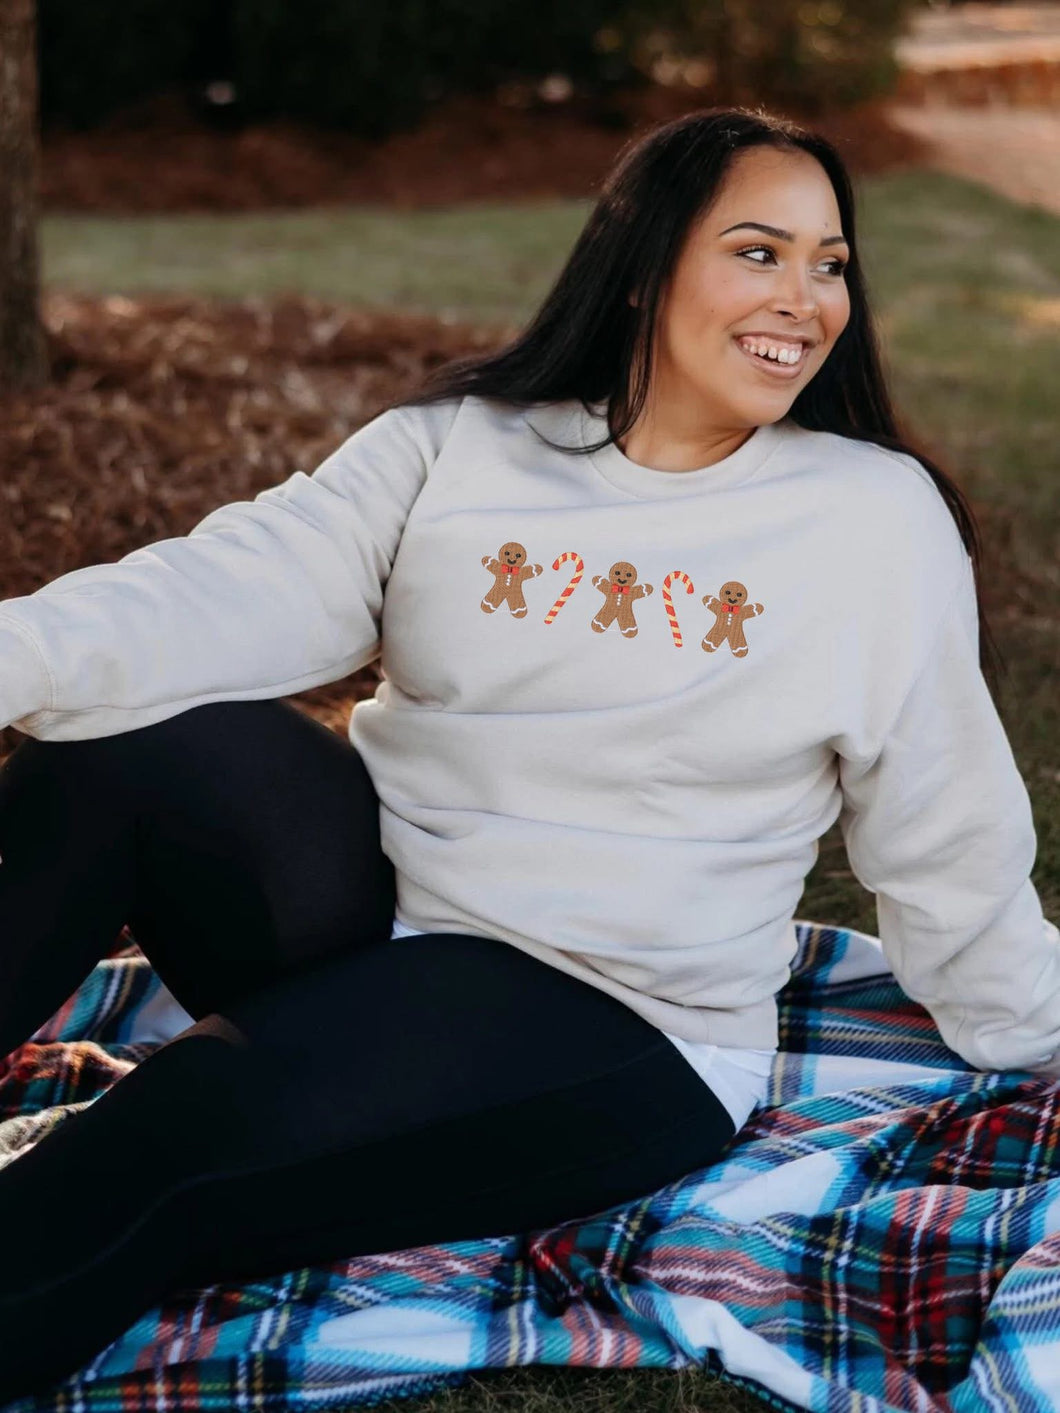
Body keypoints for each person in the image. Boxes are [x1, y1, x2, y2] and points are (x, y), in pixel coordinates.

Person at [0, 103, 1058, 1400]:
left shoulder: (870, 522)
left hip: (609, 1017)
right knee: (116, 750)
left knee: (174, 1127)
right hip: (372, 919)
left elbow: (945, 826)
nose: (807, 297)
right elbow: (228, 587)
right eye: (759, 251)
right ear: (644, 263)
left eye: (829, 261)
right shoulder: (468, 441)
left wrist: (1026, 1018)